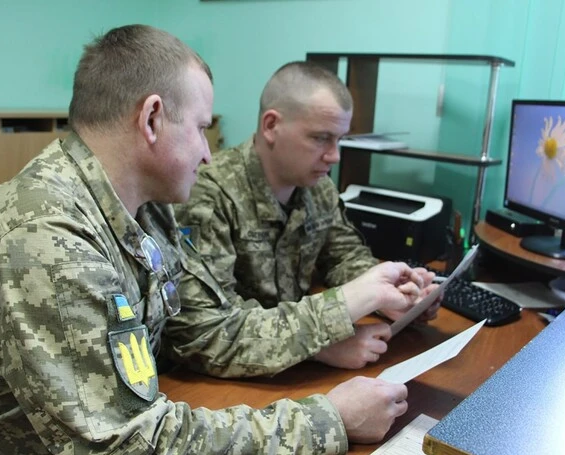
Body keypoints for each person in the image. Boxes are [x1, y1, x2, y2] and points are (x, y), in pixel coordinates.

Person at [0, 25, 415, 455]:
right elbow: (130, 449)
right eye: (202, 126)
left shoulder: (142, 207)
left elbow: (206, 330)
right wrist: (328, 419)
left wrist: (324, 340)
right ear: (152, 119)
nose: (209, 151)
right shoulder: (45, 240)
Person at [170, 61, 440, 378]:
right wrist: (321, 347)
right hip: (225, 381)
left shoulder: (318, 188)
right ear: (271, 126)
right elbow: (206, 334)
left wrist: (394, 295)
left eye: (339, 139)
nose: (334, 156)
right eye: (321, 138)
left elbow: (342, 257)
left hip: (288, 364)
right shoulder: (207, 194)